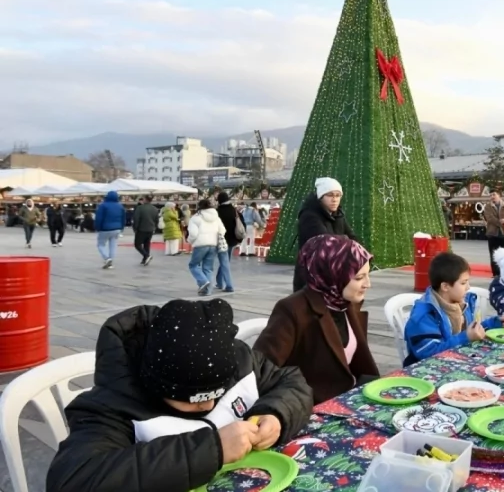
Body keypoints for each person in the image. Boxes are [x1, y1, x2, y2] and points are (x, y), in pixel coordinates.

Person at [45, 298, 314, 492]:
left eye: (216, 394)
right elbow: (71, 480)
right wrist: (212, 450)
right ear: (156, 385)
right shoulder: (114, 406)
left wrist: (276, 414)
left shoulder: (237, 360)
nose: (208, 405)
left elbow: (292, 382)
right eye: (192, 399)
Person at [255, 235, 380, 404]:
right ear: (332, 274)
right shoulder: (293, 310)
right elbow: (261, 370)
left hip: (351, 396)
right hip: (311, 406)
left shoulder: (345, 303)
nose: (368, 284)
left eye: (367, 275)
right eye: (359, 278)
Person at [403, 252, 504, 367]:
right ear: (445, 287)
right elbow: (429, 353)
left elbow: (470, 331)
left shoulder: (461, 303)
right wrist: (466, 338)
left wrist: (493, 323)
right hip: (427, 369)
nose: (468, 287)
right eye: (463, 283)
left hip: (456, 361)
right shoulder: (425, 315)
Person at [293, 177, 357, 292]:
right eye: (330, 195)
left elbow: (353, 238)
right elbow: (326, 243)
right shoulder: (309, 216)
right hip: (312, 277)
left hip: (333, 274)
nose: (334, 199)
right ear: (321, 197)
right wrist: (346, 240)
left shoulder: (338, 215)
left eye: (338, 195)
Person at [187, 199, 226, 295]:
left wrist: (190, 241)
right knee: (208, 268)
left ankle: (203, 281)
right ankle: (207, 291)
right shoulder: (216, 217)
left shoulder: (195, 218)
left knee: (193, 265)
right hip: (213, 244)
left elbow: (193, 234)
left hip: (200, 244)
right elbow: (222, 230)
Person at [482, 189, 504, 277]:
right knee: (493, 255)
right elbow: (489, 218)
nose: (492, 197)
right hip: (492, 234)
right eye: (490, 195)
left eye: (494, 194)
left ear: (499, 195)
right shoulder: (488, 207)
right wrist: (500, 222)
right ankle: (496, 273)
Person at [215, 192, 244, 292]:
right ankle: (219, 282)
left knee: (224, 262)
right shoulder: (234, 210)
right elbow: (241, 223)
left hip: (221, 240)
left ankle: (227, 285)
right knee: (225, 261)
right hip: (232, 240)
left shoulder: (217, 212)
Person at [94, 191, 126, 269]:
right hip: (117, 228)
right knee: (113, 245)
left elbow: (99, 218)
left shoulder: (103, 206)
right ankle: (111, 262)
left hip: (105, 228)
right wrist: (121, 227)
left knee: (101, 244)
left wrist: (97, 227)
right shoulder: (120, 206)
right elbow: (123, 218)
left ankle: (107, 258)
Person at [133, 195, 159, 266]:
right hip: (150, 229)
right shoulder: (155, 209)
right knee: (147, 244)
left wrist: (135, 228)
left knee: (137, 244)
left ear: (145, 199)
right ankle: (145, 259)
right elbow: (156, 220)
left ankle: (146, 255)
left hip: (141, 229)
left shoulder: (140, 208)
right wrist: (154, 227)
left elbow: (136, 219)